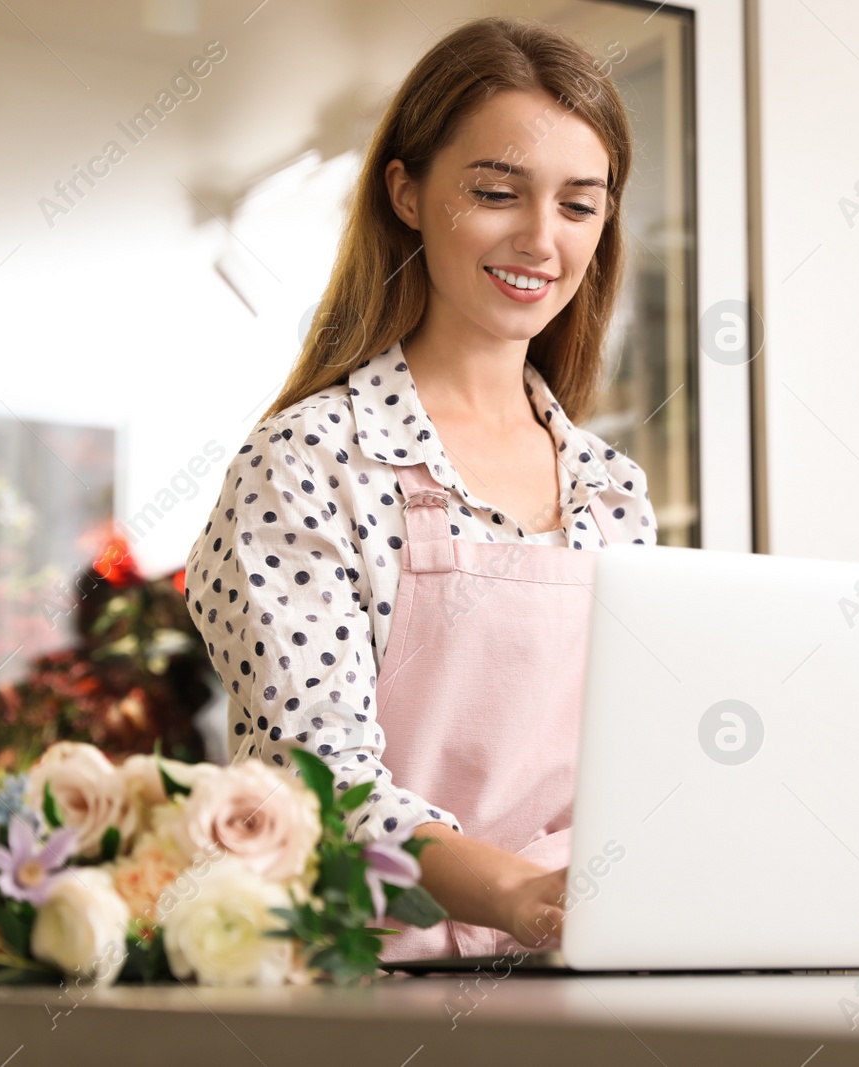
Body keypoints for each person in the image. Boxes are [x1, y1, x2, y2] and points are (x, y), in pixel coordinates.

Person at [185, 16, 657, 961]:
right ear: (406, 191)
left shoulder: (612, 493)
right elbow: (318, 784)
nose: (539, 238)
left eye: (579, 205)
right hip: (359, 986)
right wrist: (520, 892)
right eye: (496, 191)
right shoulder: (308, 462)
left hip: (581, 966)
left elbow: (632, 774)